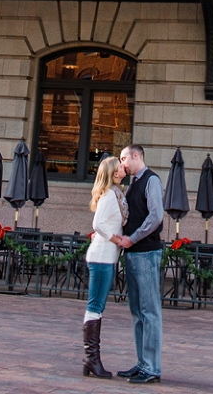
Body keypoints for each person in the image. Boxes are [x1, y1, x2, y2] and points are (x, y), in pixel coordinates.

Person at [115, 144, 165, 385]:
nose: (122, 163)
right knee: (137, 311)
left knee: (149, 311)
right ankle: (143, 362)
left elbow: (156, 216)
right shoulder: (134, 183)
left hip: (146, 253)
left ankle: (152, 367)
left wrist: (132, 238)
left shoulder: (151, 181)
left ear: (137, 156)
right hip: (133, 253)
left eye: (124, 157)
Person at [83, 155, 129, 379]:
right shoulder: (110, 195)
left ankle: (90, 360)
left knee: (97, 306)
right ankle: (91, 358)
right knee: (95, 306)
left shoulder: (116, 193)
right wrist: (117, 239)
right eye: (120, 165)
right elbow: (97, 224)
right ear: (114, 172)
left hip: (106, 256)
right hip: (101, 256)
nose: (124, 166)